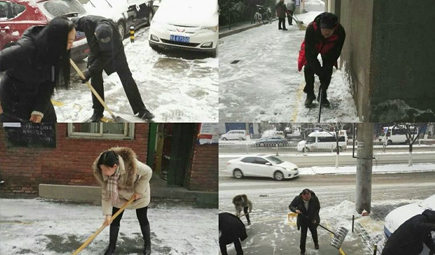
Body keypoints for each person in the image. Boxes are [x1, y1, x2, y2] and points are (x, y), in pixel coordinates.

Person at [72, 15, 154, 122]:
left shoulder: (114, 32)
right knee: (96, 80)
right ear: (96, 34)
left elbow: (106, 56)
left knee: (126, 78)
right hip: (95, 51)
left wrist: (89, 72)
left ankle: (141, 110)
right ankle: (97, 112)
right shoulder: (87, 22)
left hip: (115, 52)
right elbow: (71, 24)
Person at [0, 17, 75, 123]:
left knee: (49, 125)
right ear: (57, 40)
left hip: (37, 93)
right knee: (17, 132)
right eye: (69, 41)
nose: (72, 45)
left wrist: (39, 110)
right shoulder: (25, 49)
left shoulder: (56, 54)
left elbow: (49, 84)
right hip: (13, 98)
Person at [93, 147, 153, 255]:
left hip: (138, 194)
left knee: (142, 218)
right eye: (102, 169)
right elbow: (106, 194)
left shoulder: (131, 164)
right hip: (119, 196)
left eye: (106, 170)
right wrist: (107, 214)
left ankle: (147, 244)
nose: (104, 172)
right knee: (114, 220)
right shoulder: (104, 172)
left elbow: (148, 172)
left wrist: (139, 191)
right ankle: (111, 247)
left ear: (115, 166)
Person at [297, 12, 346, 107]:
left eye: (330, 30)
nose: (327, 32)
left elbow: (336, 53)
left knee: (328, 71)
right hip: (314, 47)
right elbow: (309, 55)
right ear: (320, 27)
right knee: (308, 68)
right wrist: (319, 71)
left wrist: (325, 72)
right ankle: (310, 94)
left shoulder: (340, 32)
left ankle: (322, 95)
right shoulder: (311, 29)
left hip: (329, 48)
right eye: (324, 29)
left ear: (334, 28)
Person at [289, 189, 321, 255]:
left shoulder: (314, 198)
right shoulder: (298, 199)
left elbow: (317, 208)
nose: (308, 199)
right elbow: (291, 206)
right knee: (303, 236)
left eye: (309, 197)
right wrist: (295, 210)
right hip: (303, 220)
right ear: (302, 195)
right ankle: (302, 250)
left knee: (314, 233)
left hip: (312, 219)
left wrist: (315, 218)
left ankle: (316, 244)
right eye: (306, 198)